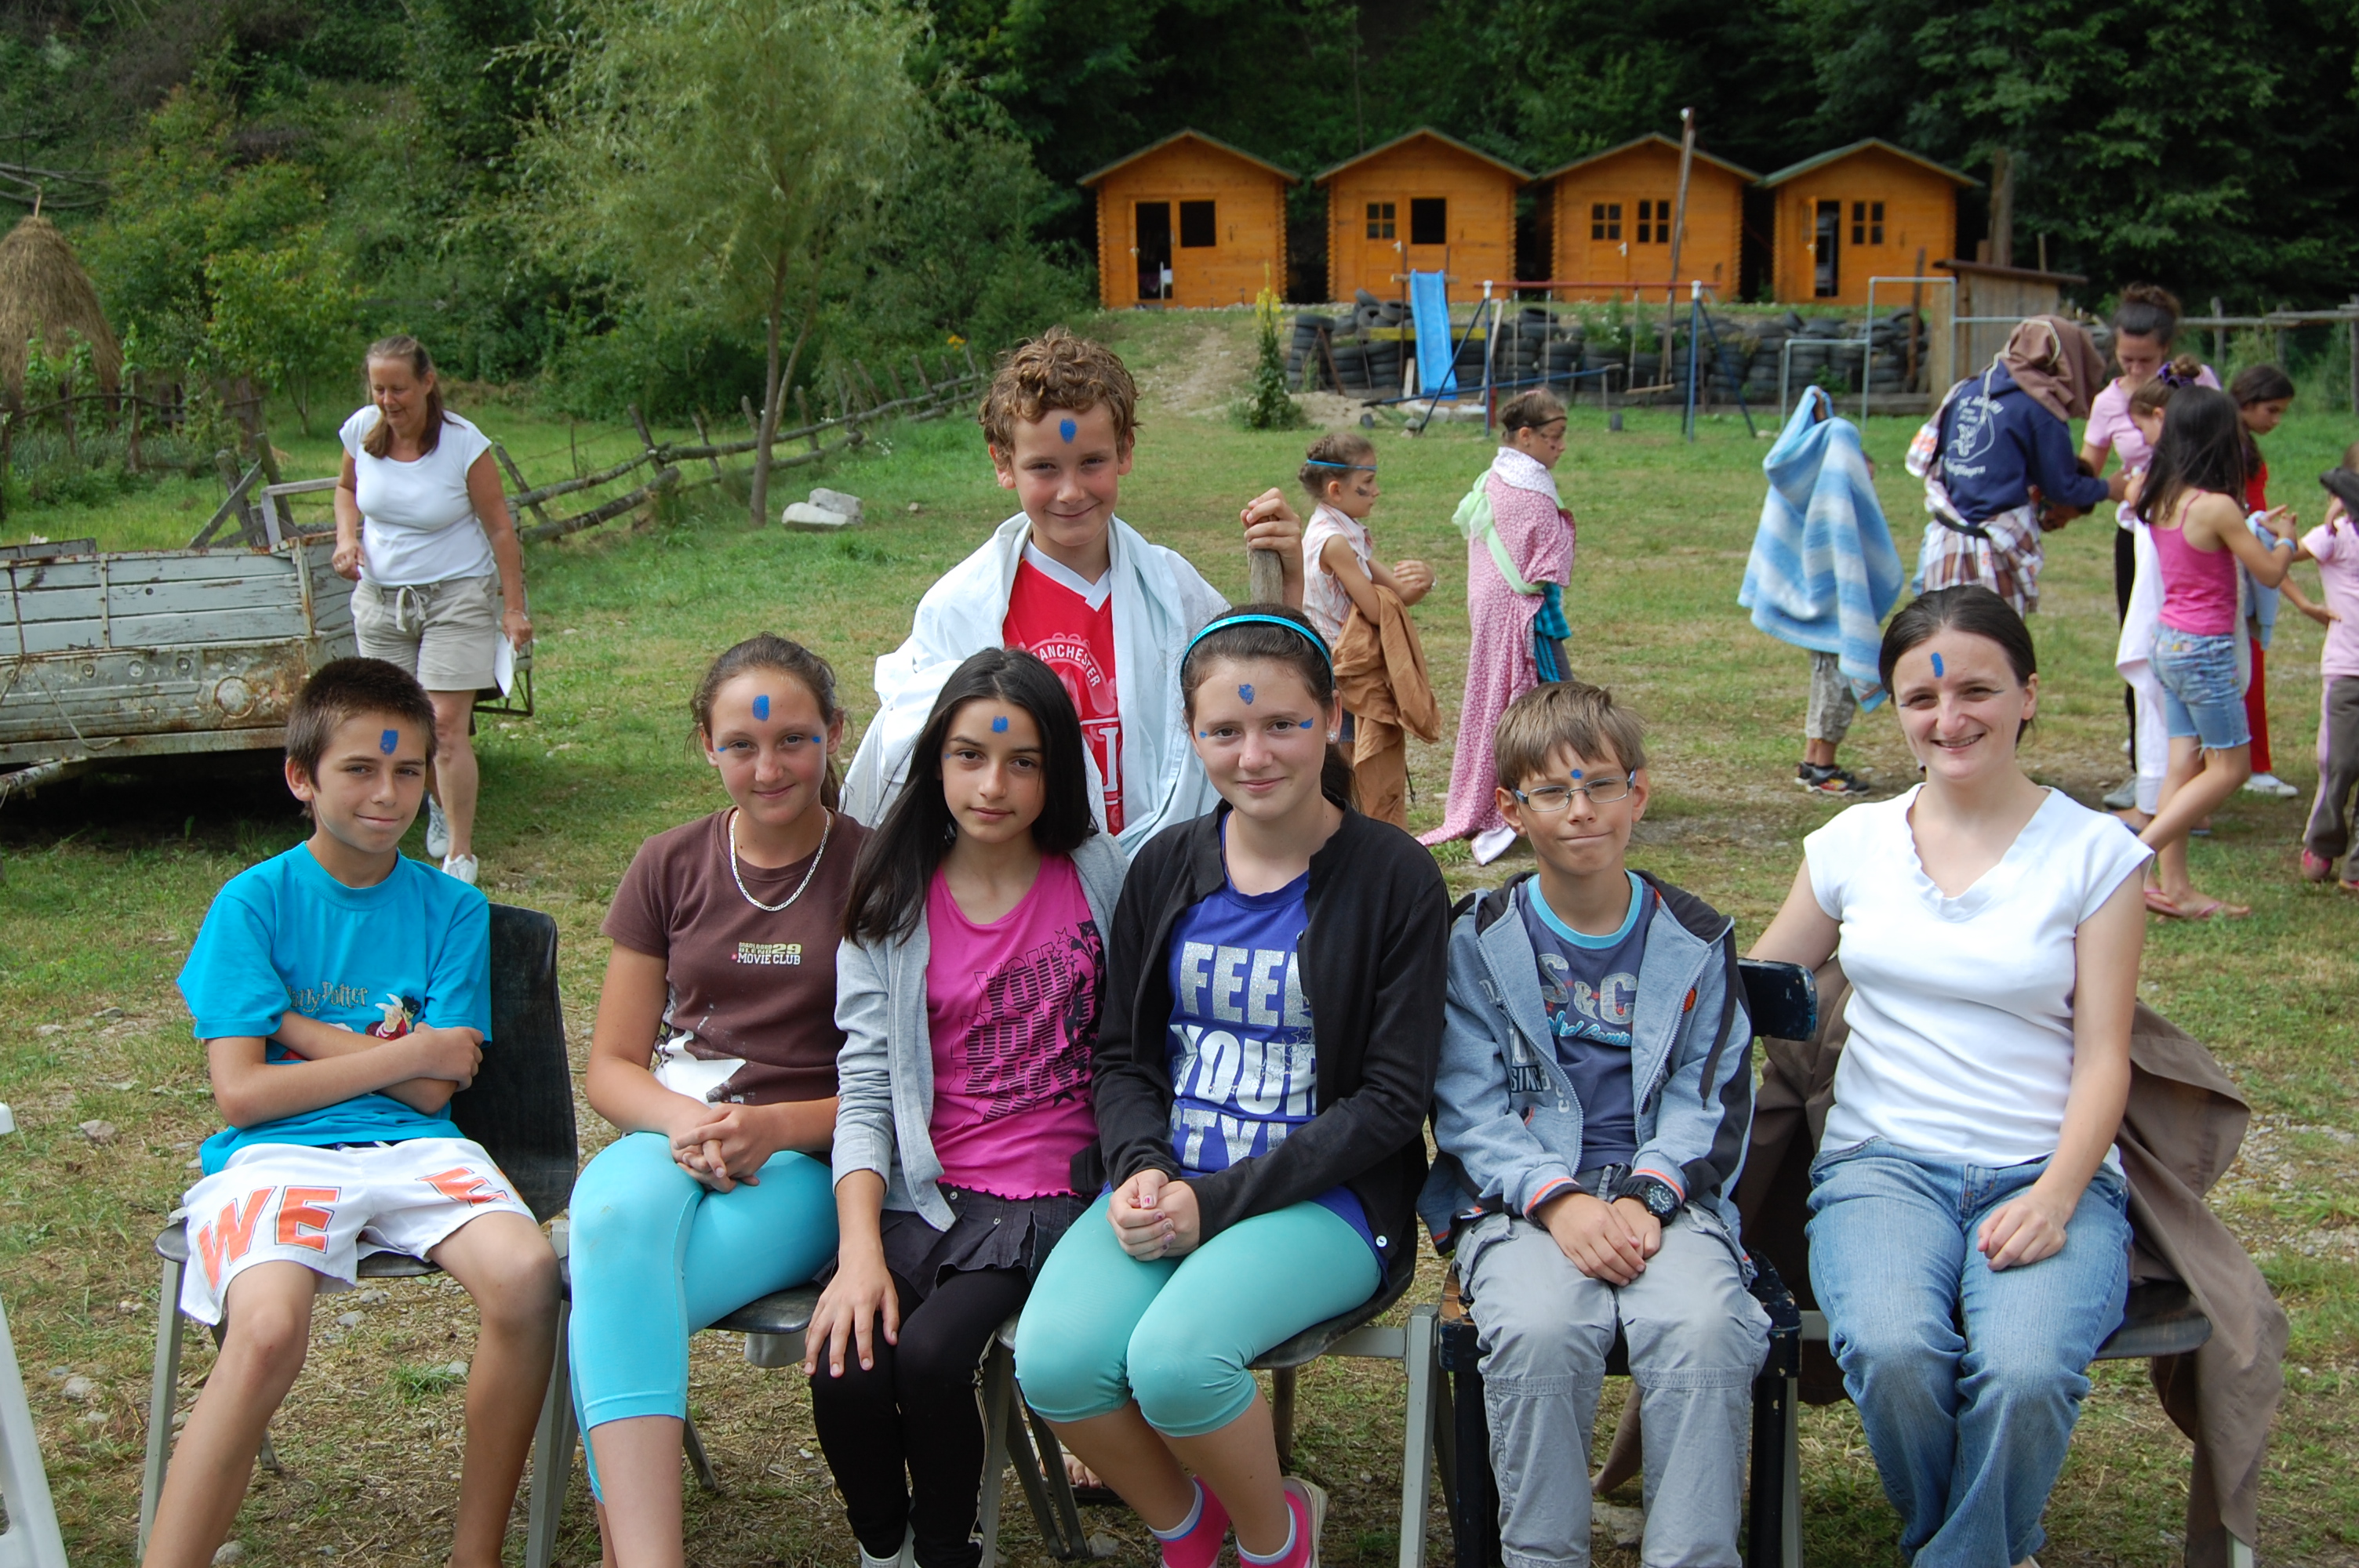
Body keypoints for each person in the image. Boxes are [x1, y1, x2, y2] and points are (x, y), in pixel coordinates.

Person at [1014, 607, 1448, 1568]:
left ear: (1333, 719)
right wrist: (1139, 1167)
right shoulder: (1166, 865)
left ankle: (1273, 1537)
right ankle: (1185, 1523)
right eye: (1224, 730)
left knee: (1174, 1363)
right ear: (1191, 734)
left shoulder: (1394, 879)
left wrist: (1208, 1204)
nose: (1253, 754)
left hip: (1326, 1200)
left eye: (1282, 723)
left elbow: (1387, 1100)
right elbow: (1122, 1055)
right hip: (1171, 1183)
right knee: (1051, 1362)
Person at [1750, 586, 2149, 1568]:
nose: (1948, 717)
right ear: (1894, 707)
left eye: (1977, 689)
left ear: (2027, 695)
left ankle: (1954, 1550)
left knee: (2022, 1369)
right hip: (1880, 1164)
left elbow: (2105, 1053)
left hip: (2042, 1165)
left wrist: (2056, 1196)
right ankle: (1979, 1546)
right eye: (1920, 698)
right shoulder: (1850, 843)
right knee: (1890, 1350)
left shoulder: (2095, 853)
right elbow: (1761, 982)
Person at [149, 659, 558, 1568]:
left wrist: (291, 1024)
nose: (388, 793)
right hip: (277, 1155)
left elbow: (432, 1089)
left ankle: (474, 1552)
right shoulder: (253, 902)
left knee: (527, 1276)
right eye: (360, 769)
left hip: (417, 1146)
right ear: (302, 776)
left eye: (408, 770)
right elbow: (245, 1095)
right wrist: (406, 1047)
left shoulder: (452, 906)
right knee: (264, 1326)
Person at [1419, 681, 1767, 1568]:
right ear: (1510, 807)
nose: (1581, 811)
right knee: (1537, 1328)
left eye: (1601, 785)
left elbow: (1709, 1093)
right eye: (1551, 791)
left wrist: (1650, 1194)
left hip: (1666, 1202)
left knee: (1702, 1325)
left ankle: (1692, 1554)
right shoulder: (1478, 938)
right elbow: (1467, 1103)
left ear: (1637, 792)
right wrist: (1557, 1198)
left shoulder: (1693, 936)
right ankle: (1542, 1555)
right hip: (1522, 1201)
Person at [808, 648, 1126, 1568]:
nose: (993, 784)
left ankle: (952, 1546)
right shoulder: (892, 897)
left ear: (1057, 768)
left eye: (1022, 760)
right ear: (934, 761)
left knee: (934, 1355)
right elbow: (864, 1087)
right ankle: (886, 1546)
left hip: (1047, 1197)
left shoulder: (1097, 874)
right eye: (968, 756)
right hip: (925, 1191)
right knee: (847, 1361)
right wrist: (858, 1250)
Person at [567, 634, 869, 1567]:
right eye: (740, 743)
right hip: (675, 1130)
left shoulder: (882, 869)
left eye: (793, 741)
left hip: (806, 1161)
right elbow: (612, 1062)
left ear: (835, 733)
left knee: (607, 1294)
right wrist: (685, 1122)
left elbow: (895, 1080)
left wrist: (769, 1126)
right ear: (706, 744)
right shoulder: (668, 862)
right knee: (612, 1222)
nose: (768, 766)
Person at [841, 326, 1304, 853]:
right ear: (1002, 463)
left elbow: (1259, 693)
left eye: (1092, 462)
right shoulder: (960, 609)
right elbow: (918, 759)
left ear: (1124, 450)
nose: (1071, 491)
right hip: (1026, 886)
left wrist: (1289, 585)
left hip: (1160, 873)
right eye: (1044, 467)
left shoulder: (1174, 592)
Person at [332, 336, 533, 887]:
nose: (389, 400)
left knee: (443, 727)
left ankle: (460, 856)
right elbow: (346, 490)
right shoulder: (360, 431)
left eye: (399, 388)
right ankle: (430, 806)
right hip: (380, 600)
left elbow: (499, 527)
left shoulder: (463, 445)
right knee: (395, 727)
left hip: (456, 595)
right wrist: (347, 538)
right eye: (379, 389)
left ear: (427, 381)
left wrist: (512, 608)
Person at [2135, 388, 2302, 919]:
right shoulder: (2217, 506)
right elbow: (2271, 571)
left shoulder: (2157, 492)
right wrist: (2285, 539)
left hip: (2167, 643)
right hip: (2205, 651)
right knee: (2230, 768)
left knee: (2184, 764)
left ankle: (2175, 888)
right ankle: (2131, 861)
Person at [2078, 286, 2219, 812]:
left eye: (2147, 360)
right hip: (2137, 537)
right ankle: (2146, 768)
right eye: (2126, 358)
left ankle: (2201, 765)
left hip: (2194, 532)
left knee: (2197, 645)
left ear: (2167, 350)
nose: (2136, 369)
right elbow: (2089, 469)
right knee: (2140, 644)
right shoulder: (2108, 402)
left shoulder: (2195, 383)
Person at [1425, 390, 1578, 863]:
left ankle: (1548, 789)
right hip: (1524, 615)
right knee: (1548, 705)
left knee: (1520, 702)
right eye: (1553, 438)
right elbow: (1547, 558)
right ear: (1526, 436)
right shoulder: (1529, 488)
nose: (1561, 448)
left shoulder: (1497, 476)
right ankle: (1546, 794)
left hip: (1500, 610)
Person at [1739, 385, 1903, 797]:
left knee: (1824, 679)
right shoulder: (1833, 482)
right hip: (1837, 605)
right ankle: (1821, 765)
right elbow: (1847, 542)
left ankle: (1813, 757)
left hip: (1818, 599)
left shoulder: (1808, 471)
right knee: (1838, 683)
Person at [1905, 317, 2117, 618]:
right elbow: (2062, 487)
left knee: (1939, 631)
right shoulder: (2041, 408)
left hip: (1943, 542)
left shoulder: (1968, 390)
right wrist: (2110, 488)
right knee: (1991, 643)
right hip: (1991, 554)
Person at [1297, 430, 1437, 827]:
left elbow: (1396, 593)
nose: (1376, 491)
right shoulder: (1335, 542)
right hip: (1342, 671)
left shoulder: (1346, 532)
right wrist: (1403, 591)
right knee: (1353, 767)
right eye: (1367, 484)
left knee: (1358, 763)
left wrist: (1427, 579)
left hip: (1349, 667)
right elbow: (1378, 609)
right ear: (1336, 489)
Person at [2110, 361, 2205, 830]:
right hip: (2188, 603)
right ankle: (2185, 800)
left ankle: (2158, 804)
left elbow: (2140, 499)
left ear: (2161, 418)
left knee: (2159, 706)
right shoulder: (2200, 467)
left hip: (2168, 605)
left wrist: (2131, 487)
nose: (2138, 435)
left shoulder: (2170, 475)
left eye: (2141, 424)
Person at [2229, 364, 2304, 798]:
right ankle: (2252, 763)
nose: (2275, 420)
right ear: (2248, 402)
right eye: (2271, 410)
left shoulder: (2241, 444)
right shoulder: (2237, 450)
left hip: (2250, 549)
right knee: (2246, 663)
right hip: (2247, 559)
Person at [2298, 458, 2359, 889]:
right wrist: (2304, 603)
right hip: (2347, 668)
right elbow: (2275, 560)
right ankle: (2323, 840)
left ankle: (2356, 867)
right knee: (2340, 762)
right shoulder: (2334, 538)